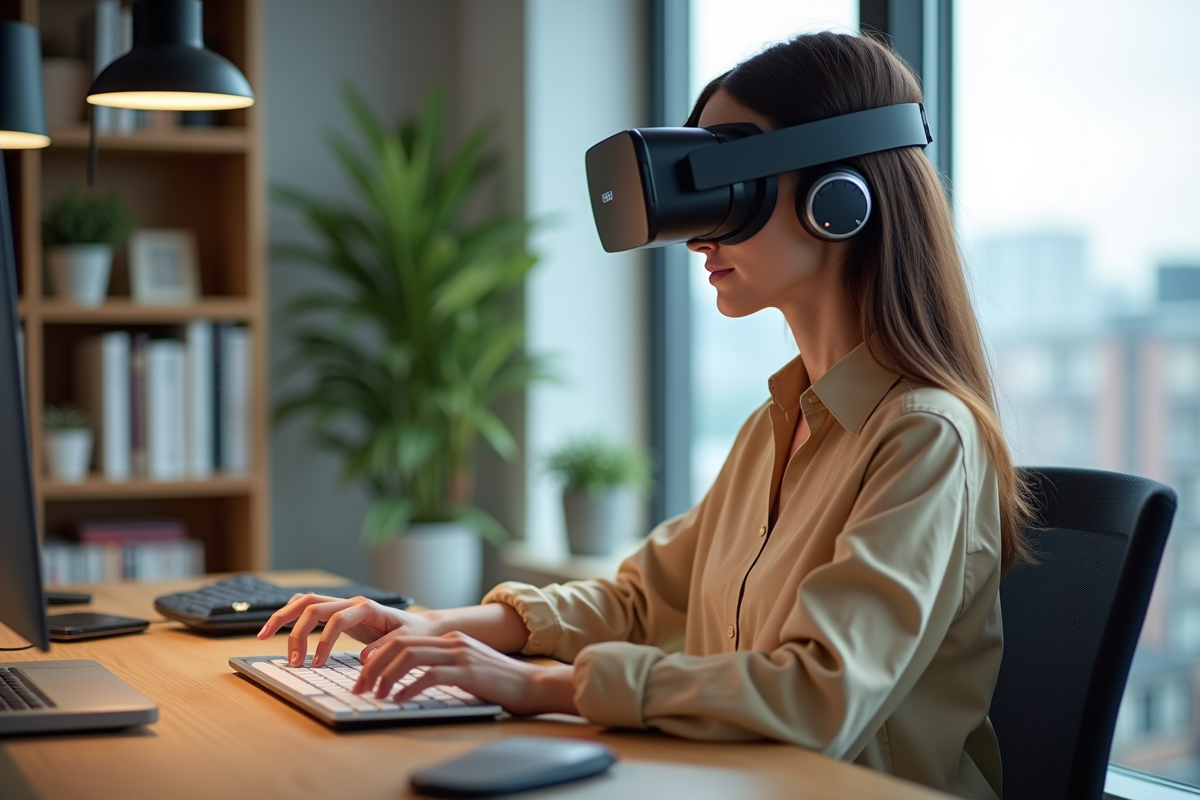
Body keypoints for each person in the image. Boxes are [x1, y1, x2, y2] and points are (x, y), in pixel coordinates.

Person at [258, 31, 1030, 800]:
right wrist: (436, 628)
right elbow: (640, 599)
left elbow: (816, 696)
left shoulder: (925, 436)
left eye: (734, 192)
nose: (699, 236)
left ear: (837, 199)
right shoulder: (777, 425)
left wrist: (539, 688)